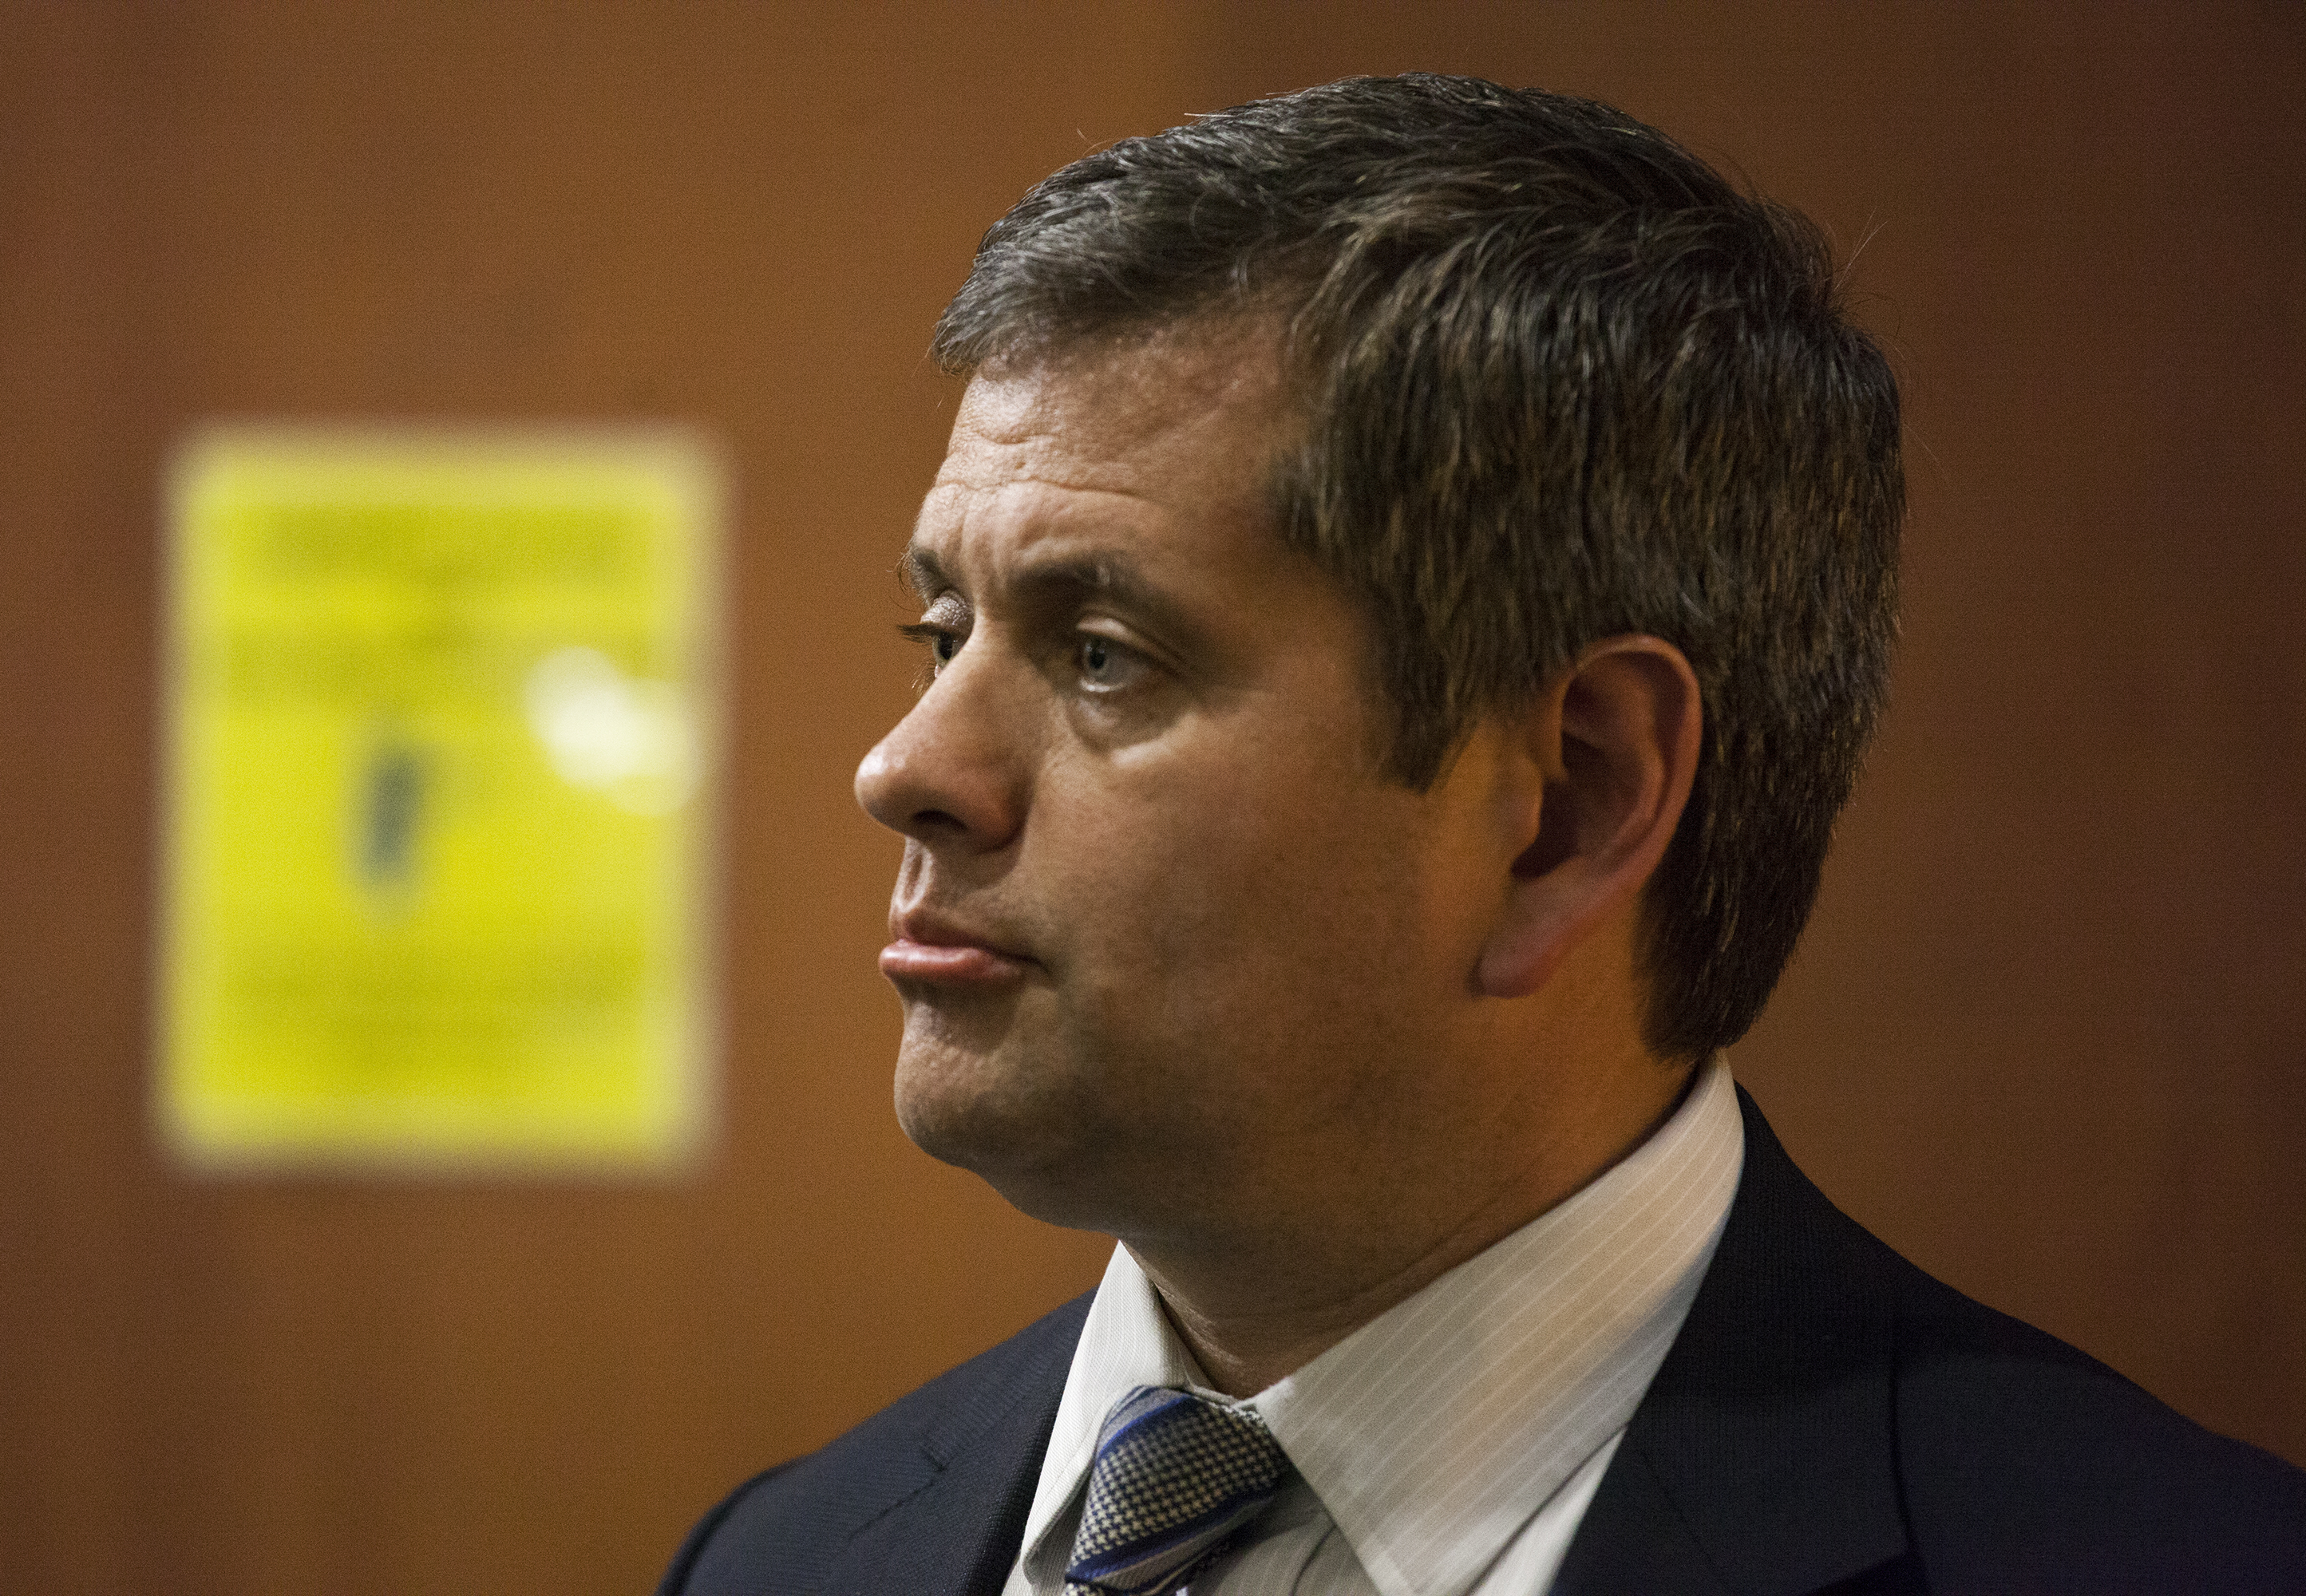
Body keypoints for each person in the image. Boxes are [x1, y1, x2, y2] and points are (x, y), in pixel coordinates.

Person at [658, 74, 2305, 1595]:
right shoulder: (779, 1557)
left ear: (1569, 805)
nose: (905, 768)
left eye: (1104, 654)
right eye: (943, 636)